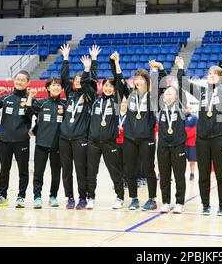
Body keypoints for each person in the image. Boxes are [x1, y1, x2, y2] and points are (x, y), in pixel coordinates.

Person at [176, 53, 222, 216]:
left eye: (215, 74)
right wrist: (181, 67)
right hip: (202, 140)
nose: (211, 76)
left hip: (220, 138)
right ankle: (205, 204)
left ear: (221, 78)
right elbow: (183, 83)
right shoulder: (201, 92)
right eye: (209, 74)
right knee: (204, 175)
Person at [58, 44, 99, 210]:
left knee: (81, 170)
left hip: (80, 138)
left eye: (80, 80)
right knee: (66, 171)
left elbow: (92, 82)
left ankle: (83, 197)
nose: (77, 82)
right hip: (64, 139)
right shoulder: (70, 94)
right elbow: (63, 78)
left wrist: (90, 66)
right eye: (75, 80)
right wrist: (65, 59)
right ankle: (70, 197)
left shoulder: (89, 96)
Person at [0, 70, 34, 208]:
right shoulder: (6, 98)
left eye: (22, 80)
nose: (19, 82)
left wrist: (34, 131)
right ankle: (3, 196)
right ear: (14, 81)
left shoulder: (30, 99)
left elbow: (34, 114)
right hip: (5, 141)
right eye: (17, 79)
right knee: (4, 169)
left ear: (28, 83)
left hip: (22, 141)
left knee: (23, 170)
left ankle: (21, 197)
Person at [85, 52, 126, 210]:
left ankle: (120, 197)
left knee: (115, 172)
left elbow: (120, 81)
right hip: (93, 143)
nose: (109, 88)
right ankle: (91, 198)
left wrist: (116, 62)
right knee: (91, 172)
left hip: (110, 142)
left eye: (111, 86)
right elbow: (90, 82)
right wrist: (92, 64)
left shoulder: (116, 101)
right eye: (106, 85)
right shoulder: (95, 100)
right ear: (103, 87)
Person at [151, 60, 188, 214]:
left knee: (179, 176)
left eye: (171, 91)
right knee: (164, 176)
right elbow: (159, 86)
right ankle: (166, 202)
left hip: (179, 145)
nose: (168, 92)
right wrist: (160, 70)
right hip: (163, 146)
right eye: (166, 91)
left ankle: (179, 202)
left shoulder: (180, 104)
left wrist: (180, 68)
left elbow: (181, 82)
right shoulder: (160, 106)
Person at [122, 65, 159, 211]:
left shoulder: (152, 97)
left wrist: (154, 71)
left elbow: (156, 87)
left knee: (149, 169)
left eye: (141, 79)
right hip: (130, 138)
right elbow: (119, 82)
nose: (138, 81)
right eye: (136, 79)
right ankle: (134, 199)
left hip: (146, 138)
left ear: (146, 80)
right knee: (130, 170)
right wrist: (116, 64)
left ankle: (152, 199)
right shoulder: (130, 96)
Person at [25, 78, 65, 209]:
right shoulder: (41, 103)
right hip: (41, 143)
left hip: (58, 145)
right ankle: (37, 197)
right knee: (38, 172)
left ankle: (53, 196)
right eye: (53, 85)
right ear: (48, 88)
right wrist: (30, 96)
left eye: (58, 85)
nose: (56, 87)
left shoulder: (65, 105)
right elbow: (28, 110)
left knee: (56, 173)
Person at [184, 106, 197, 180]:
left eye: (187, 108)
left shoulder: (194, 117)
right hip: (182, 143)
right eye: (185, 108)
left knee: (192, 159)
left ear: (190, 108)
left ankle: (192, 173)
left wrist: (185, 136)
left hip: (192, 143)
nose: (186, 109)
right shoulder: (181, 117)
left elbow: (195, 129)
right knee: (181, 160)